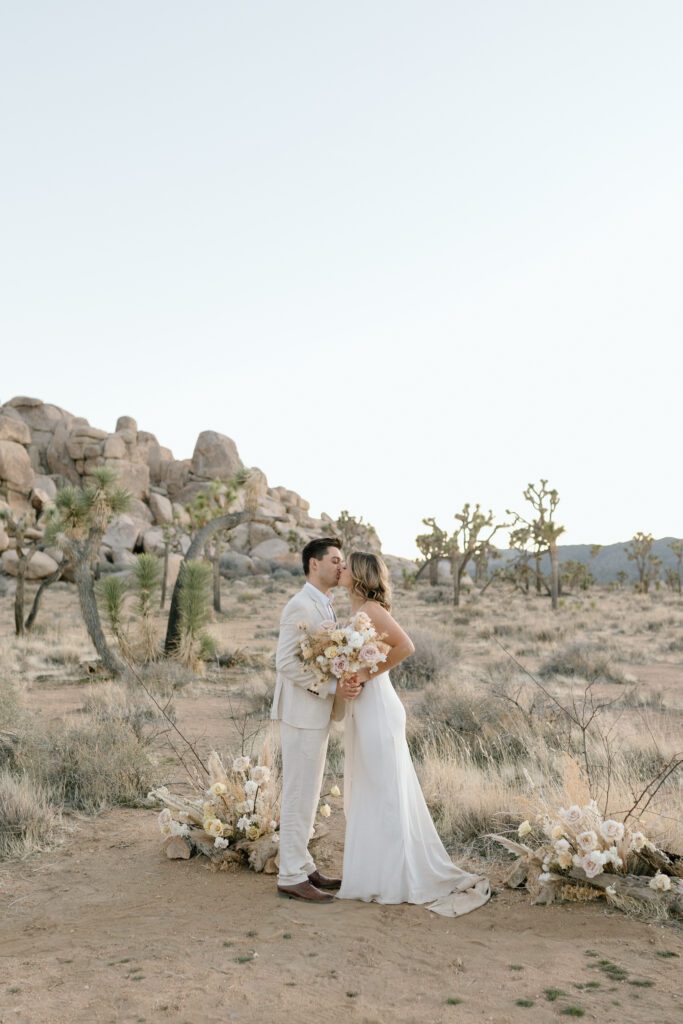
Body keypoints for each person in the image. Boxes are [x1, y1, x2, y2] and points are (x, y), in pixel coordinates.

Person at [336, 551, 491, 917]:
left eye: (346, 566)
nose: (340, 569)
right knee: (372, 789)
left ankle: (396, 879)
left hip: (379, 708)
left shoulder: (371, 610)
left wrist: (364, 676)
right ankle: (375, 876)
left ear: (358, 574)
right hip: (365, 708)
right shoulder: (358, 613)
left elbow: (405, 646)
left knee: (385, 791)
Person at [271, 538, 360, 903]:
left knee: (309, 793)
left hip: (314, 715)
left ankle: (303, 864)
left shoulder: (323, 604)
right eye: (335, 560)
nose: (341, 567)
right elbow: (286, 662)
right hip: (301, 713)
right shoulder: (300, 606)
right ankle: (290, 875)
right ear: (314, 564)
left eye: (342, 561)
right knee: (297, 793)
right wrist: (331, 687)